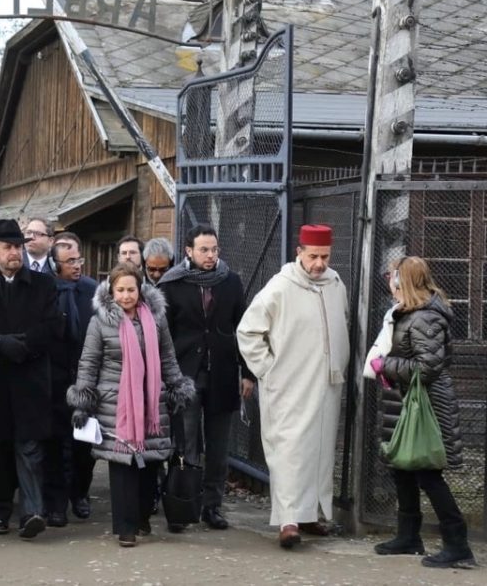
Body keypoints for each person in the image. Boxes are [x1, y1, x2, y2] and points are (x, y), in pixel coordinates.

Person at [236, 224, 348, 549]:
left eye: (324, 256)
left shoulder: (335, 283)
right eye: (313, 256)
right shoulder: (280, 287)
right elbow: (248, 331)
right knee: (288, 451)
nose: (319, 263)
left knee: (320, 451)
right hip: (288, 386)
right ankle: (288, 520)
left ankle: (310, 514)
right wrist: (269, 370)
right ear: (299, 252)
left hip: (327, 383)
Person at [67, 262, 194, 547]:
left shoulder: (156, 319)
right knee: (122, 466)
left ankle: (141, 518)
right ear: (111, 292)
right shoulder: (100, 322)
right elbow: (89, 362)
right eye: (120, 290)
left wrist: (177, 388)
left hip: (151, 402)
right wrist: (83, 401)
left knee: (149, 464)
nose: (126, 296)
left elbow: (167, 357)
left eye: (131, 289)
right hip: (116, 403)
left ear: (140, 289)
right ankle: (125, 527)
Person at [369, 257, 475, 569]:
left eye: (393, 276)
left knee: (428, 475)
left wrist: (385, 365)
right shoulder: (407, 313)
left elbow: (427, 367)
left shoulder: (425, 318)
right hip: (406, 403)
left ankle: (458, 546)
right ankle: (408, 536)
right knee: (401, 467)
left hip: (426, 407)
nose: (389, 281)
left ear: (404, 282)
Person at [0, 219, 59, 540]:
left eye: (18, 246)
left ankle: (32, 511)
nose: (14, 253)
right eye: (7, 247)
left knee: (30, 449)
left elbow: (51, 327)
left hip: (30, 379)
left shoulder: (44, 285)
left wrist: (23, 345)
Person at [158, 225, 254, 532]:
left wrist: (248, 372)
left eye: (214, 249)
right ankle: (183, 505)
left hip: (223, 374)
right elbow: (164, 335)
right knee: (186, 444)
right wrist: (167, 376)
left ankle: (213, 506)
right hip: (185, 375)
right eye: (204, 250)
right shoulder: (172, 284)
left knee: (218, 445)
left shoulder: (231, 282)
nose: (211, 255)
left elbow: (244, 330)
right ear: (189, 251)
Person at [43, 241, 98, 525]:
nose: (76, 266)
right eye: (69, 261)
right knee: (55, 445)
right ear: (55, 265)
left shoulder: (92, 291)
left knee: (84, 447)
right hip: (54, 378)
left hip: (86, 379)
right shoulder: (45, 291)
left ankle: (80, 493)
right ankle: (55, 503)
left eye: (79, 259)